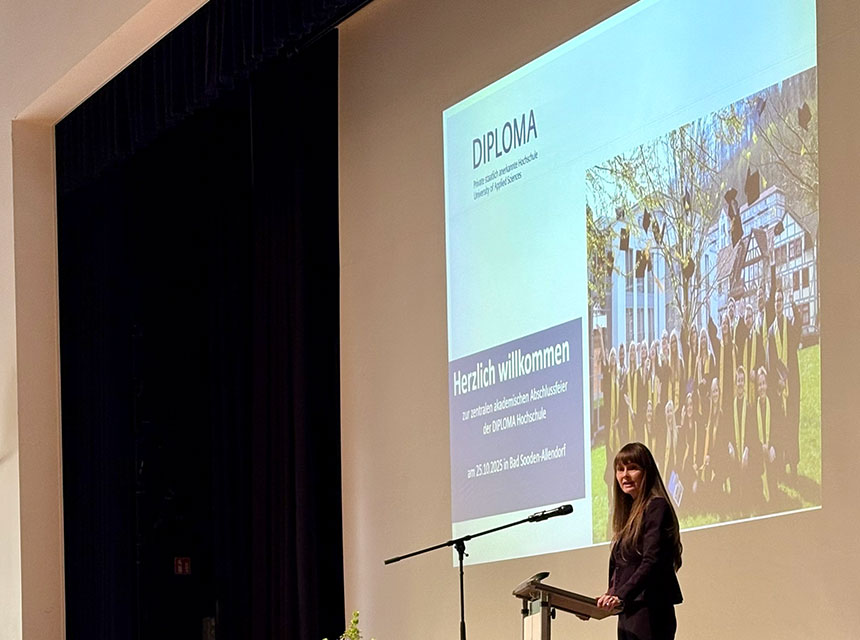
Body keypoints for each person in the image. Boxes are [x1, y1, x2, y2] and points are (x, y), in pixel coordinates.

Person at [594, 442, 683, 639]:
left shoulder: (656, 507)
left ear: (646, 472)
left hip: (650, 610)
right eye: (620, 469)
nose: (624, 475)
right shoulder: (629, 516)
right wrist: (603, 602)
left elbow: (652, 561)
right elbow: (625, 568)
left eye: (632, 468)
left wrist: (619, 595)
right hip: (630, 610)